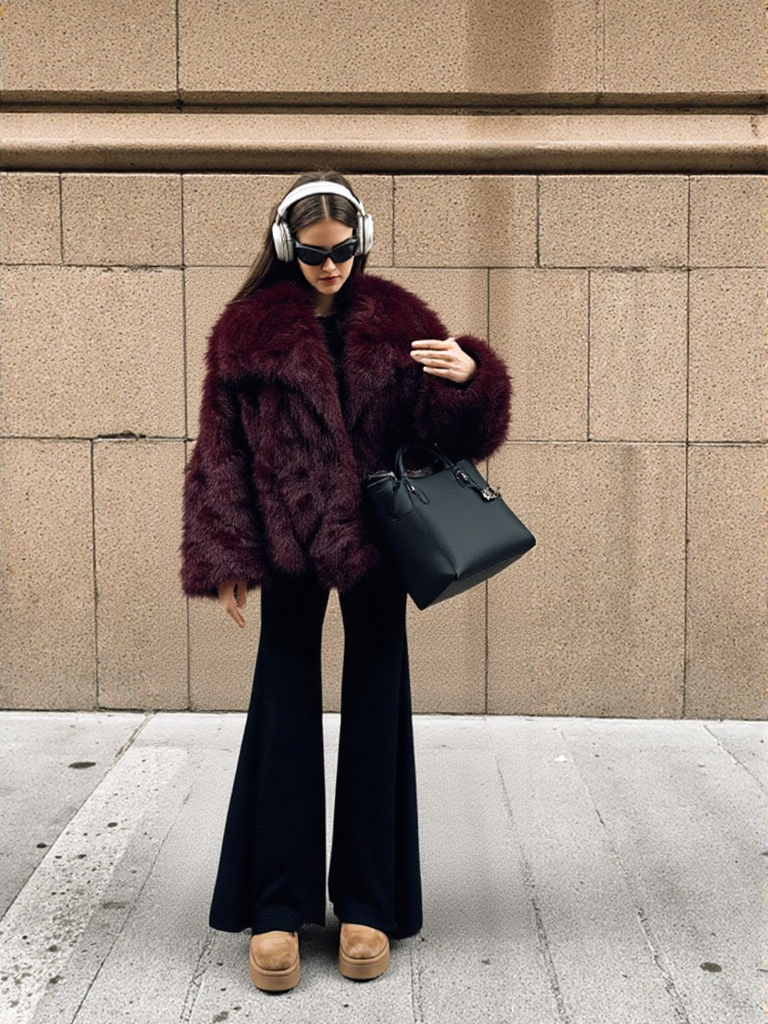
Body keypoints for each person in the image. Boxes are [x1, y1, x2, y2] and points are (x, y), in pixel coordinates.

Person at [180, 171, 512, 992]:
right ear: (286, 247)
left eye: (344, 250)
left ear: (361, 239)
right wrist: (224, 556)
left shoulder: (402, 321)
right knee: (282, 707)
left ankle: (369, 901)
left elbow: (451, 439)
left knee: (377, 707)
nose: (331, 266)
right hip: (287, 540)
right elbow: (219, 448)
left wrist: (469, 383)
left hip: (378, 539)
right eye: (314, 253)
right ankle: (277, 906)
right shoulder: (246, 332)